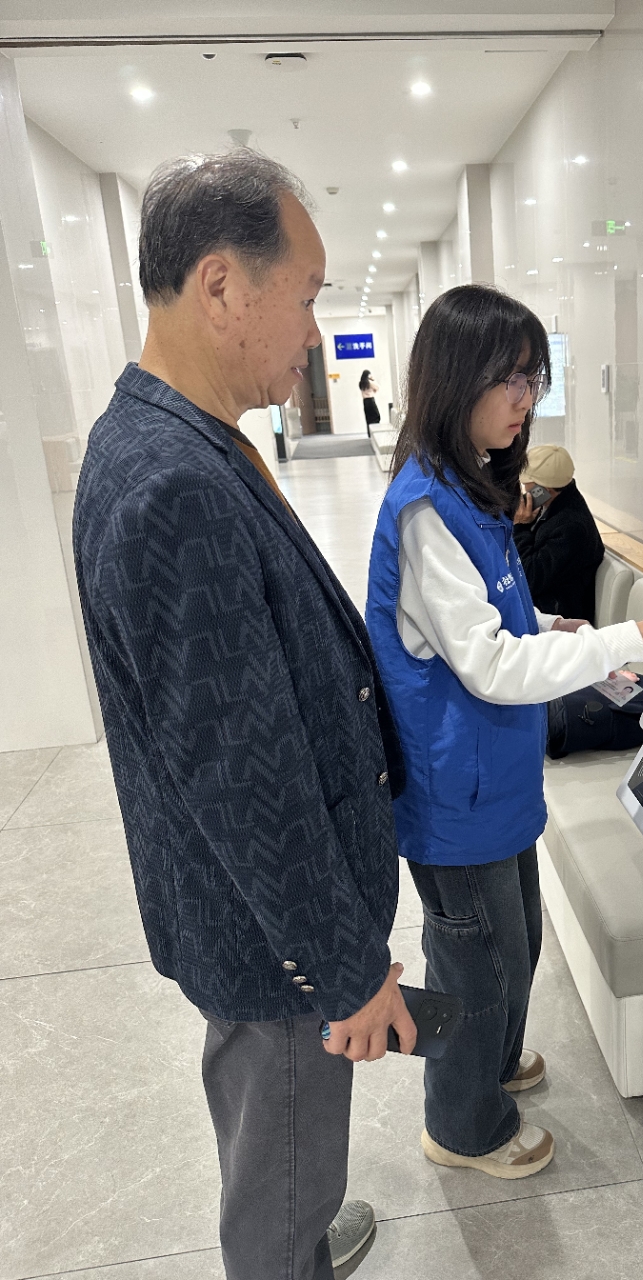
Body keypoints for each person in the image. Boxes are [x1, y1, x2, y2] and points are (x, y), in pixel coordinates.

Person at [72, 149, 416, 1280]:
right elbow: (241, 777)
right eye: (307, 296)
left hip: (262, 923)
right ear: (221, 284)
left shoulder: (176, 438)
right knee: (281, 1160)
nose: (314, 331)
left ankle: (298, 1235)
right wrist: (346, 967)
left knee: (284, 1147)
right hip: (279, 946)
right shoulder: (173, 482)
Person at [365, 284, 643, 1180]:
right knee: (475, 964)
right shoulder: (426, 509)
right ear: (456, 378)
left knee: (516, 944)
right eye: (510, 380)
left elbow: (492, 619)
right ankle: (463, 1125)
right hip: (455, 796)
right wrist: (629, 637)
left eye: (534, 379)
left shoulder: (472, 485)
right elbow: (487, 665)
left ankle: (491, 1062)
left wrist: (552, 624)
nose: (525, 400)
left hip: (494, 780)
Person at [513, 444, 605, 623]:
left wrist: (521, 527)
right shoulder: (554, 505)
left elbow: (529, 577)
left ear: (543, 490)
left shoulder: (571, 527)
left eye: (527, 485)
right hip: (543, 605)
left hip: (558, 618)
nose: (524, 489)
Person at [360, 368, 381, 433]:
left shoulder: (361, 383)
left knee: (368, 418)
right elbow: (377, 387)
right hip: (371, 400)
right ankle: (375, 430)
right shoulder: (370, 382)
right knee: (377, 416)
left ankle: (369, 433)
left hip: (365, 401)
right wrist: (373, 380)